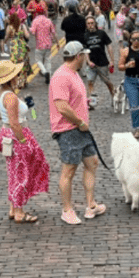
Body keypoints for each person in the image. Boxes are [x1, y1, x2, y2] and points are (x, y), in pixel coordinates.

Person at [48, 41, 106, 225]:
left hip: (81, 129)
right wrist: (80, 121)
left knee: (92, 162)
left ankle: (91, 205)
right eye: (84, 55)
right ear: (78, 56)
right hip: (69, 130)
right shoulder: (61, 77)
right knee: (69, 170)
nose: (86, 58)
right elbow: (62, 107)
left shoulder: (73, 74)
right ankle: (67, 210)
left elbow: (72, 100)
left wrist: (85, 103)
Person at [0, 61, 49, 224]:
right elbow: (15, 122)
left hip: (6, 133)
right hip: (16, 134)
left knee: (14, 172)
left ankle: (13, 208)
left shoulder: (1, 92)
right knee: (22, 174)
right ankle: (19, 212)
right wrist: (23, 141)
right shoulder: (10, 97)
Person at [83, 15, 115, 108]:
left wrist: (112, 60)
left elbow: (109, 46)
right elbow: (85, 51)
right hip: (91, 64)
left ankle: (114, 96)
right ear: (86, 25)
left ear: (95, 24)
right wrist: (88, 62)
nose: (90, 25)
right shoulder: (85, 36)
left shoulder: (102, 33)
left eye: (92, 23)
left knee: (107, 82)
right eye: (88, 24)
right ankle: (92, 102)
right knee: (90, 82)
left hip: (102, 62)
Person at [31, 4, 57, 85]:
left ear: (36, 13)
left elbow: (32, 32)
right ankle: (48, 72)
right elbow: (53, 32)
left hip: (39, 44)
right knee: (48, 60)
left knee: (38, 60)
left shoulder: (35, 21)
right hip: (48, 44)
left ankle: (44, 72)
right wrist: (58, 42)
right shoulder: (48, 20)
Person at [5, 14, 33, 86]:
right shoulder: (22, 26)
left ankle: (17, 82)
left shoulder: (9, 27)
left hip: (14, 47)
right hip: (22, 46)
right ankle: (23, 81)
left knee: (15, 64)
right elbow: (27, 36)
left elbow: (6, 37)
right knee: (23, 63)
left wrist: (5, 41)